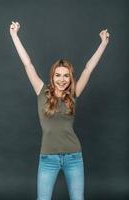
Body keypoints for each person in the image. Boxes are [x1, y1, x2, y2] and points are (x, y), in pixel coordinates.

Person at [10, 21, 110, 200]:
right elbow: (28, 64)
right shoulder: (41, 91)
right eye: (58, 75)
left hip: (74, 157)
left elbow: (88, 68)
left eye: (66, 75)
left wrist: (103, 43)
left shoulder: (73, 94)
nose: (62, 79)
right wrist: (14, 36)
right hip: (48, 158)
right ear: (52, 76)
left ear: (70, 78)